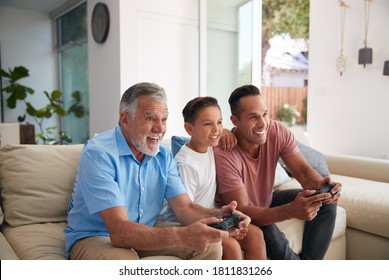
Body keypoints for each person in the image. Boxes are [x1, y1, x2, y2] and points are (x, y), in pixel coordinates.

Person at [64, 82, 250, 260]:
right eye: (150, 118)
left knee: (209, 244)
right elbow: (119, 231)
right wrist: (183, 235)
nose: (160, 128)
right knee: (123, 260)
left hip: (146, 227)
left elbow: (185, 208)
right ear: (125, 119)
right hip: (97, 235)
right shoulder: (99, 154)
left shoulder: (162, 155)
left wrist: (220, 215)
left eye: (164, 119)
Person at [214, 84, 342, 260]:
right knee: (266, 229)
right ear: (235, 121)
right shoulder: (224, 153)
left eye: (265, 114)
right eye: (253, 117)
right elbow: (243, 211)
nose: (262, 123)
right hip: (242, 214)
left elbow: (304, 172)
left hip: (267, 199)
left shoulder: (277, 131)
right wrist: (291, 210)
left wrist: (324, 189)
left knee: (325, 202)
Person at [174, 96, 267, 260]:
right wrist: (222, 227)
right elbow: (185, 213)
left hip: (214, 217)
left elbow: (221, 133)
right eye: (208, 124)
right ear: (189, 129)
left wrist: (225, 132)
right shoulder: (186, 164)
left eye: (219, 122)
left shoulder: (210, 146)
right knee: (232, 247)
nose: (216, 129)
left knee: (256, 235)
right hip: (193, 223)